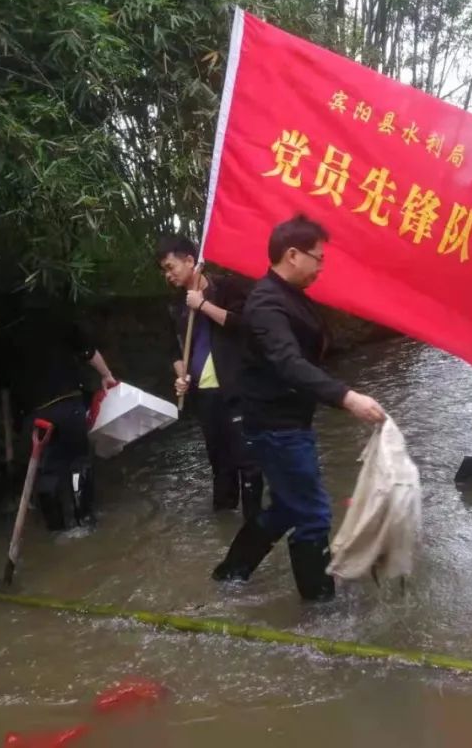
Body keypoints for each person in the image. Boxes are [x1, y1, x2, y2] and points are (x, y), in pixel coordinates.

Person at [212, 215, 385, 602]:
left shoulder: (288, 295)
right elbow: (289, 363)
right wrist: (347, 397)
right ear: (292, 255)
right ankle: (320, 610)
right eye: (317, 259)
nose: (322, 267)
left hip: (288, 420)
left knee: (289, 507)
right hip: (275, 426)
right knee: (313, 514)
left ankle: (231, 574)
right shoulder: (265, 305)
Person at [0, 293, 116, 531]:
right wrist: (106, 375)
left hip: (34, 412)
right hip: (69, 403)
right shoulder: (56, 318)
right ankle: (86, 521)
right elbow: (87, 351)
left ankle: (56, 529)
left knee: (47, 470)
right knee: (79, 461)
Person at [156, 236, 264, 519]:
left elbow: (244, 324)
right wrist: (181, 377)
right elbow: (173, 350)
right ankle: (225, 521)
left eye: (171, 266)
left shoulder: (227, 287)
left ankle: (254, 524)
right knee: (220, 462)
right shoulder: (174, 306)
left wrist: (202, 305)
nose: (169, 275)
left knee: (248, 460)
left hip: (238, 388)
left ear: (190, 260)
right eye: (165, 270)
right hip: (204, 395)